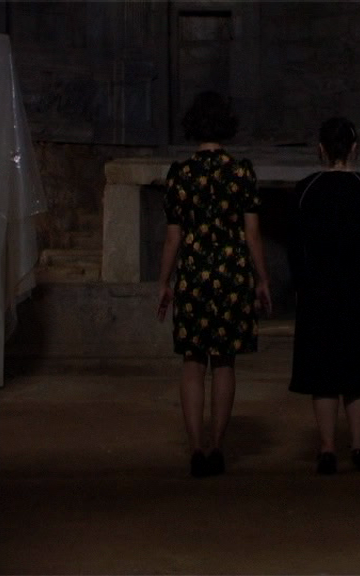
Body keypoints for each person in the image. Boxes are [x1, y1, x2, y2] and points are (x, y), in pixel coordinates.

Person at [157, 91, 272, 478]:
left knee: (192, 362)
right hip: (231, 275)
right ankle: (217, 446)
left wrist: (163, 281)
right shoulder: (240, 173)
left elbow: (173, 237)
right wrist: (262, 279)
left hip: (193, 276)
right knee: (224, 362)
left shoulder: (181, 175)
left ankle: (196, 448)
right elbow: (252, 234)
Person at [288, 117, 360, 475]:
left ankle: (328, 447)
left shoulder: (305, 189)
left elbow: (294, 247)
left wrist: (300, 287)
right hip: (357, 287)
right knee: (357, 364)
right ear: (354, 148)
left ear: (320, 150)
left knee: (322, 368)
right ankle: (359, 444)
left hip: (317, 287)